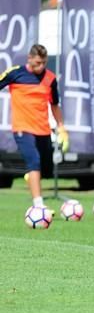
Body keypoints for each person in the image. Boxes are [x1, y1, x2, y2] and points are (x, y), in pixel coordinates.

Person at [0, 44, 68, 211]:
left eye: (44, 62)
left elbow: (54, 105)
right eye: (38, 62)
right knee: (34, 161)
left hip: (43, 130)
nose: (41, 66)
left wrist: (61, 127)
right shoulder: (15, 73)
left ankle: (31, 176)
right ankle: (39, 206)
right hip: (22, 128)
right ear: (29, 59)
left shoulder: (50, 79)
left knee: (46, 168)